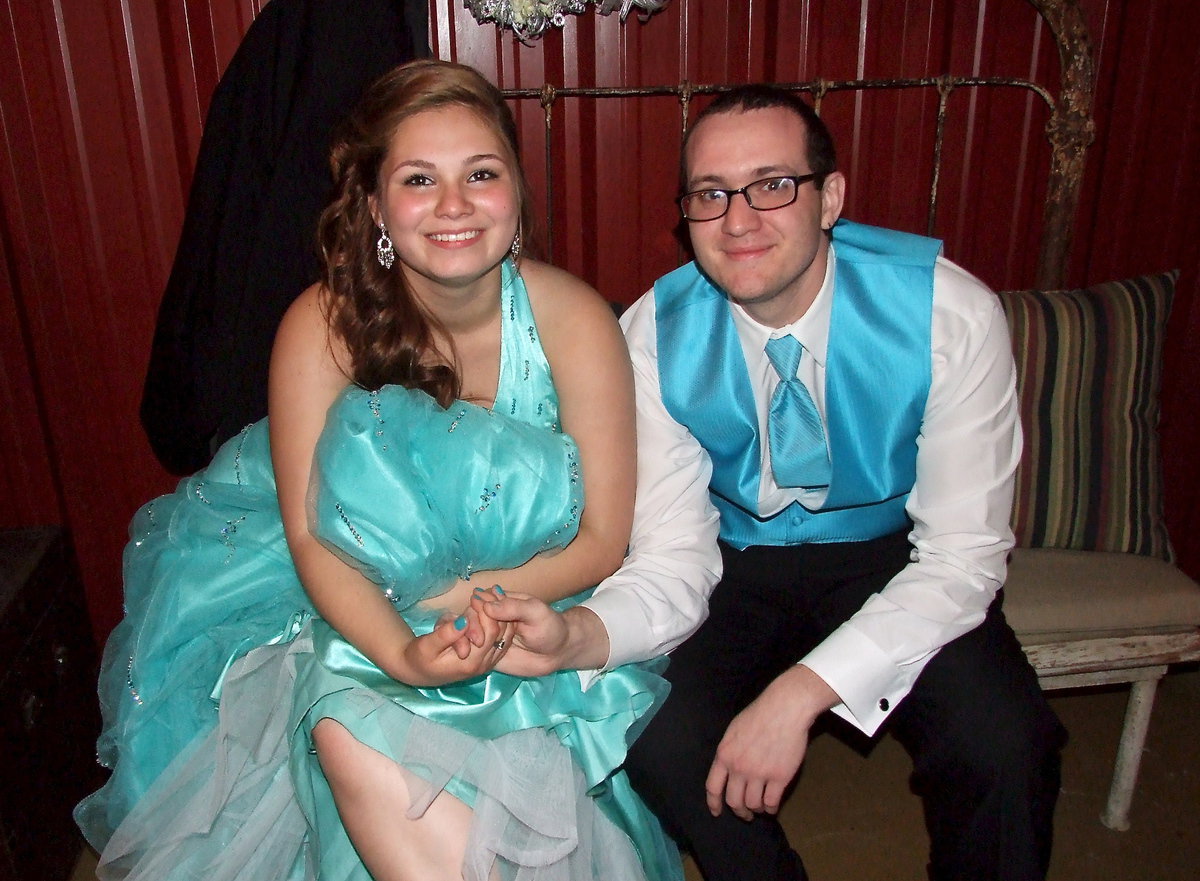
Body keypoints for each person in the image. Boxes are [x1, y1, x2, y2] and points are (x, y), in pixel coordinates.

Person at [75, 59, 687, 881]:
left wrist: (476, 611)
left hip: (531, 597)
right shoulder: (321, 325)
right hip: (344, 602)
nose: (455, 205)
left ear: (516, 189)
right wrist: (403, 650)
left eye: (480, 173)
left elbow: (607, 534)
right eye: (418, 179)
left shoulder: (574, 318)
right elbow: (311, 539)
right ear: (374, 207)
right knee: (340, 713)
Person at [600, 84, 1067, 881]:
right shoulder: (649, 335)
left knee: (1005, 742)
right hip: (729, 562)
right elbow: (673, 546)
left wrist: (798, 693)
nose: (739, 220)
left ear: (831, 198)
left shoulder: (946, 314)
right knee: (656, 736)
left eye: (773, 185)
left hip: (897, 556)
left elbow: (963, 558)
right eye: (711, 195)